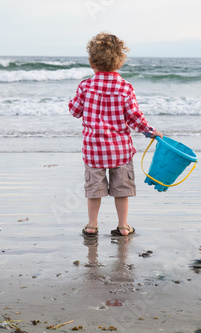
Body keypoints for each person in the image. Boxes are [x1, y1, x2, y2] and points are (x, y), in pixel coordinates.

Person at [69, 32, 163, 237]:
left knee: (94, 189)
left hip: (94, 150)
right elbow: (135, 117)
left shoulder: (85, 86)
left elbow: (75, 111)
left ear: (91, 62)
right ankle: (123, 226)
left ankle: (92, 225)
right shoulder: (125, 87)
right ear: (120, 62)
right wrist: (150, 131)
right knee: (122, 189)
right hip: (120, 150)